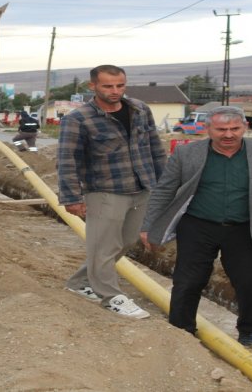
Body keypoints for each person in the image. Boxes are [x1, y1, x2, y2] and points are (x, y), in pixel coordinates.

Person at [139, 105, 252, 347]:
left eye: (235, 128)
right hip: (197, 225)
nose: (228, 135)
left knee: (250, 283)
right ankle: (182, 331)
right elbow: (164, 191)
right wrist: (149, 225)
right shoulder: (186, 154)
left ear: (245, 127)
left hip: (245, 228)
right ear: (208, 129)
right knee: (188, 281)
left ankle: (248, 332)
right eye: (221, 129)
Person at [57, 64, 167, 319]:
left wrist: (164, 185)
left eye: (120, 85)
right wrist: (71, 197)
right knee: (104, 245)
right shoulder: (78, 119)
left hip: (142, 187)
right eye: (108, 86)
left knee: (127, 240)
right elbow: (67, 160)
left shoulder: (140, 109)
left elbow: (155, 148)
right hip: (105, 190)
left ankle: (79, 283)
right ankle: (110, 296)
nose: (115, 91)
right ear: (92, 86)